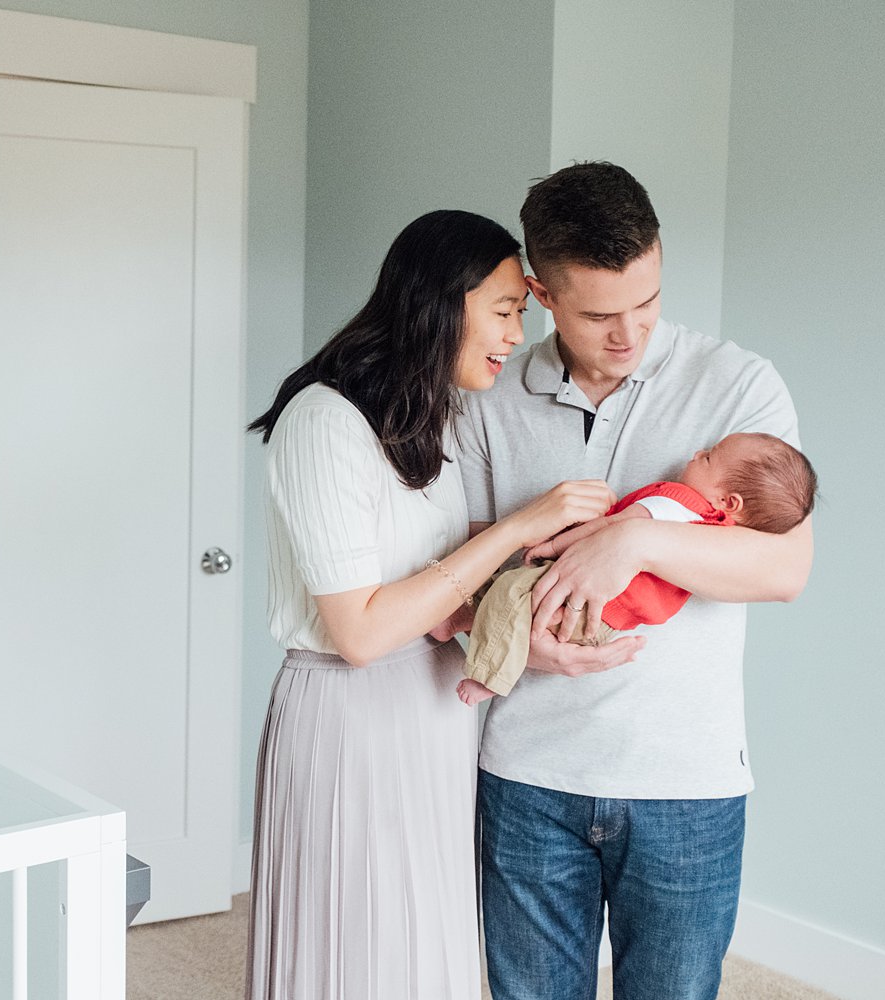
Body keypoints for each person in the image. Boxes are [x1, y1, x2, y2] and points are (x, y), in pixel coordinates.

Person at [242, 209, 634, 1000]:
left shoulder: (433, 421)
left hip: (431, 711)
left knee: (424, 943)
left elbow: (434, 595)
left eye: (521, 313)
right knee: (359, 945)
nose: (514, 334)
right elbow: (362, 631)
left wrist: (529, 623)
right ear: (440, 303)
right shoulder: (324, 421)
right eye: (503, 310)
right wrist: (519, 527)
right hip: (350, 717)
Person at [456, 162, 814, 1000]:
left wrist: (634, 541)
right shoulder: (490, 393)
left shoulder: (739, 386)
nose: (631, 334)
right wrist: (506, 637)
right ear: (542, 294)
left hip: (684, 783)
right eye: (599, 314)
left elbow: (784, 567)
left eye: (647, 303)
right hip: (528, 775)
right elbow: (456, 564)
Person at [457, 432, 818, 702]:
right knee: (510, 599)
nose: (697, 453)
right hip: (604, 624)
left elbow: (608, 529)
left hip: (579, 602)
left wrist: (551, 545)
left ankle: (488, 677)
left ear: (728, 500)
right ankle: (464, 619)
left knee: (510, 590)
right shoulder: (715, 538)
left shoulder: (678, 501)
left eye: (708, 458)